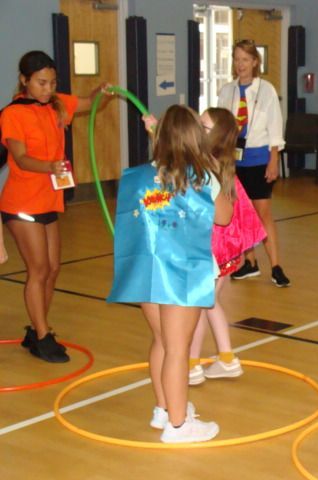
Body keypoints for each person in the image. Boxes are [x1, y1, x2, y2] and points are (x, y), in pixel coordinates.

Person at [108, 105, 233, 443]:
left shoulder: (138, 176)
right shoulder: (202, 177)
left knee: (162, 341)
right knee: (178, 349)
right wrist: (213, 174)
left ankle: (164, 410)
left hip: (148, 272)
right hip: (184, 274)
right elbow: (224, 217)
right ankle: (179, 426)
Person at [0, 50, 111, 363]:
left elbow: (89, 104)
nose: (48, 89)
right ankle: (43, 334)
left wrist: (101, 93)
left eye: (52, 82)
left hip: (49, 199)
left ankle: (37, 330)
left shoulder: (57, 104)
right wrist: (50, 166)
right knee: (37, 270)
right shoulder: (13, 114)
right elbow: (20, 158)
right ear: (25, 81)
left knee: (53, 268)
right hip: (21, 202)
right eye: (41, 83)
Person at [188, 107, 266, 385]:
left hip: (215, 252)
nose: (197, 128)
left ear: (217, 136)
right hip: (225, 252)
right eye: (198, 122)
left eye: (204, 126)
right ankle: (223, 360)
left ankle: (195, 365)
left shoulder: (206, 165)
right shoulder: (218, 163)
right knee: (209, 304)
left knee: (201, 306)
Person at [217, 39, 290, 287]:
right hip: (233, 161)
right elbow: (221, 127)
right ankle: (250, 262)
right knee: (240, 215)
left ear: (255, 62)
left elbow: (275, 127)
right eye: (237, 59)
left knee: (263, 213)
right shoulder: (227, 91)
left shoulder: (266, 90)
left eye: (245, 60)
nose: (240, 64)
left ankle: (276, 266)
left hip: (259, 159)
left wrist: (274, 160)